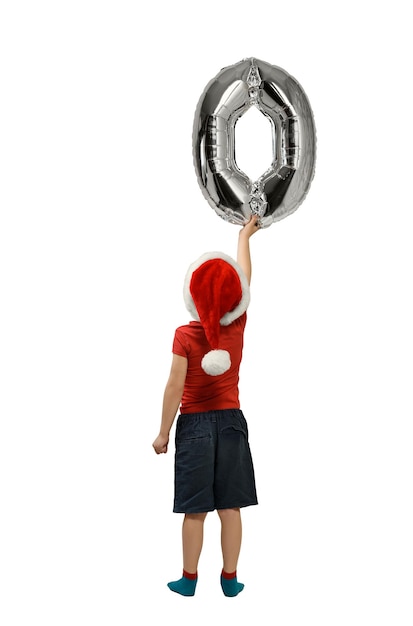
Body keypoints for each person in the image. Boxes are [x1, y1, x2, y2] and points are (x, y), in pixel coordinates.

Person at [152, 214, 260, 597]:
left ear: (192, 296)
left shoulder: (185, 335)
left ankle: (189, 579)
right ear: (235, 297)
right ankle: (230, 580)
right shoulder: (237, 325)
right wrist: (244, 236)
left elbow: (173, 386)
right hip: (232, 423)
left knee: (195, 509)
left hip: (194, 425)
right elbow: (244, 278)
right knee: (231, 507)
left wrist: (164, 432)